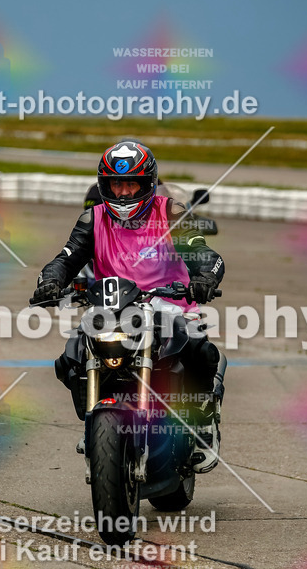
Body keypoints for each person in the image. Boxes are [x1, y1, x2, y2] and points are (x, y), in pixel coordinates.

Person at [30, 140, 225, 465]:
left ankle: (202, 416)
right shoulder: (93, 219)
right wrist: (51, 280)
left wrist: (204, 277)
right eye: (116, 184)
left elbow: (205, 253)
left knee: (198, 348)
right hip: (111, 306)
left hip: (169, 303)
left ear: (148, 184)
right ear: (104, 185)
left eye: (130, 184)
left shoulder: (169, 211)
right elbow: (65, 258)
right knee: (70, 358)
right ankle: (95, 420)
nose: (122, 193)